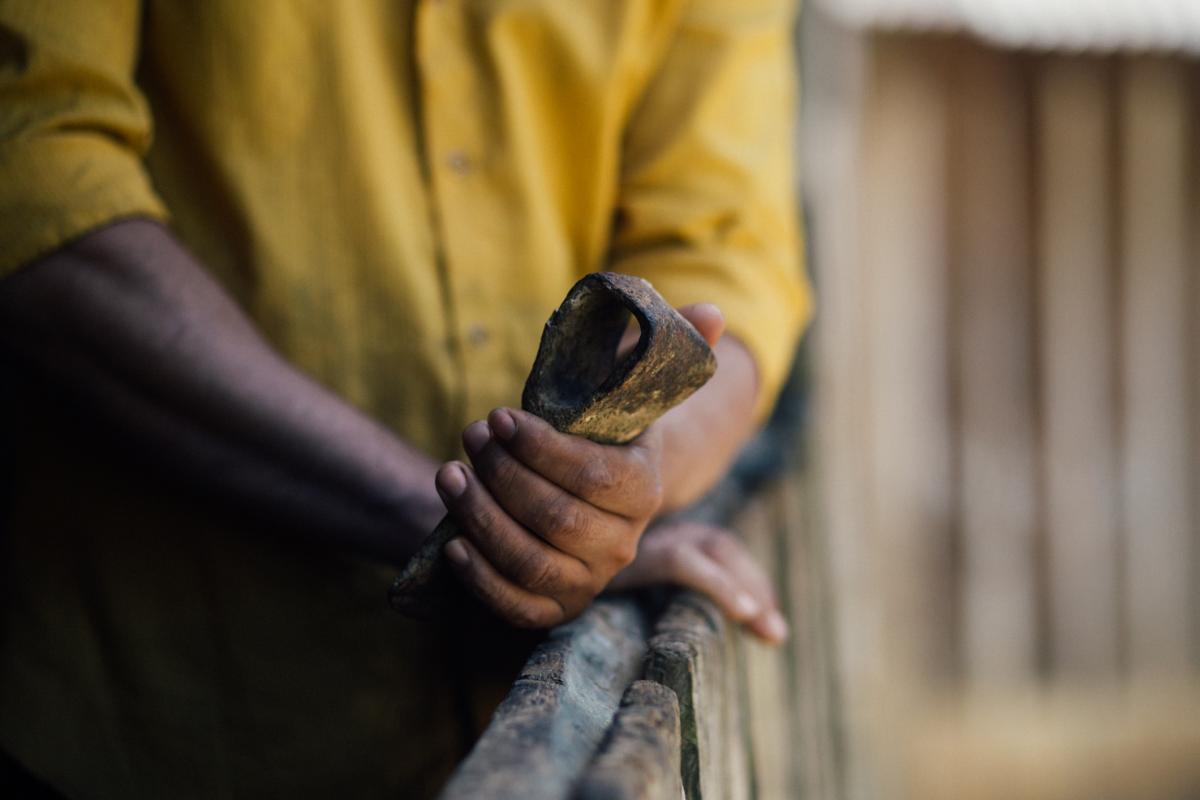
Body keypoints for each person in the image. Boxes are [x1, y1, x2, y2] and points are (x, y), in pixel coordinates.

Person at [0, 1, 810, 797]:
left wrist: (619, 484)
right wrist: (484, 524)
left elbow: (726, 253)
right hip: (169, 710)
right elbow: (34, 168)